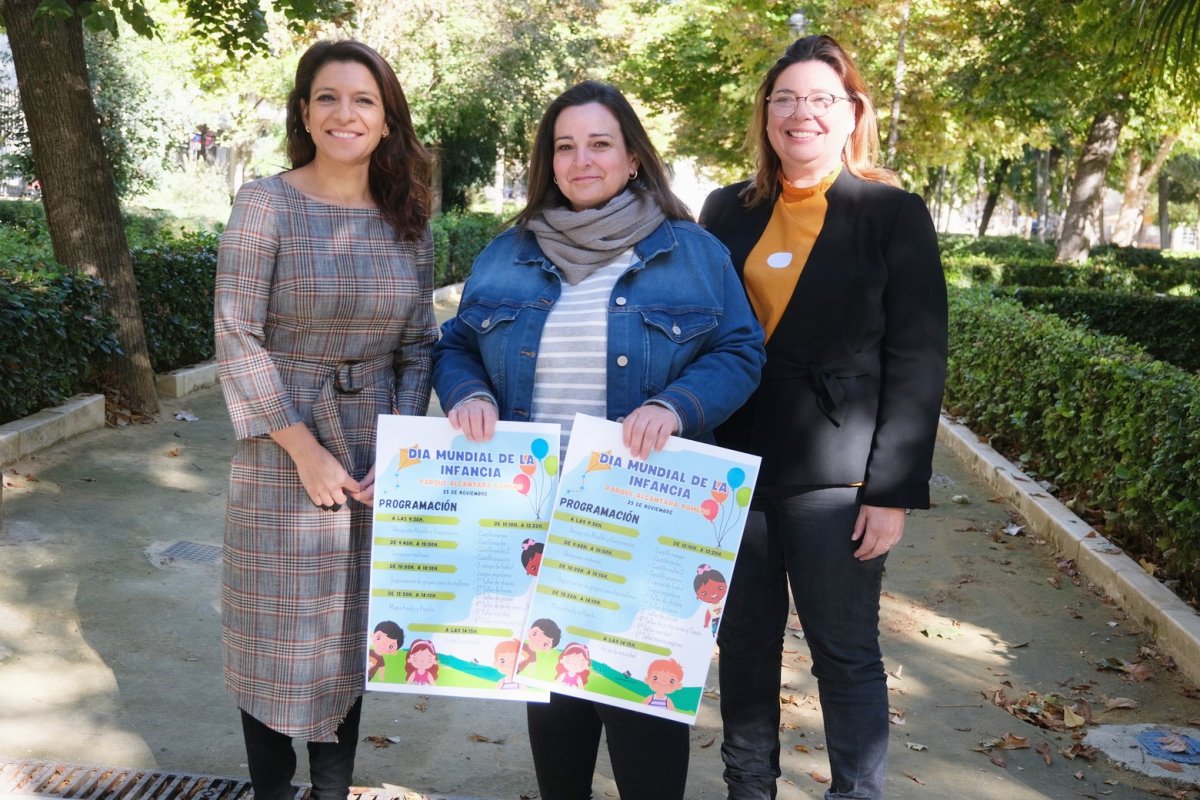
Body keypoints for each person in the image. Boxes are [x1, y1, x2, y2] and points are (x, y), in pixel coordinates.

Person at [432, 80, 765, 800]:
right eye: (565, 146)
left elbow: (741, 350)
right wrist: (468, 391)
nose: (582, 160)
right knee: (554, 700)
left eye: (600, 143)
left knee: (640, 701)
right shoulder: (506, 253)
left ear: (634, 157)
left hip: (640, 515)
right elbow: (455, 343)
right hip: (534, 516)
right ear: (548, 163)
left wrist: (676, 405)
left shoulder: (692, 253)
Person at [699, 35, 948, 800]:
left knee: (844, 653)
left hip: (836, 478)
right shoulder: (725, 210)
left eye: (819, 99)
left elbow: (917, 358)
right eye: (784, 99)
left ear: (850, 116)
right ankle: (750, 789)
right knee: (742, 647)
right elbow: (701, 329)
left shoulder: (892, 214)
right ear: (765, 116)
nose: (799, 113)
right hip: (732, 470)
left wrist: (891, 491)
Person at [214, 39, 435, 800]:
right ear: (305, 113)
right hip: (282, 444)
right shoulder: (265, 203)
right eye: (330, 98)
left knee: (349, 632)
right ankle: (272, 788)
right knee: (277, 630)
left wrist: (402, 448)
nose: (346, 113)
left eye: (364, 100)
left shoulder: (409, 221)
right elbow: (237, 332)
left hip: (374, 449)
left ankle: (333, 790)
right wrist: (301, 447)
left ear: (386, 120)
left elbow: (418, 347)